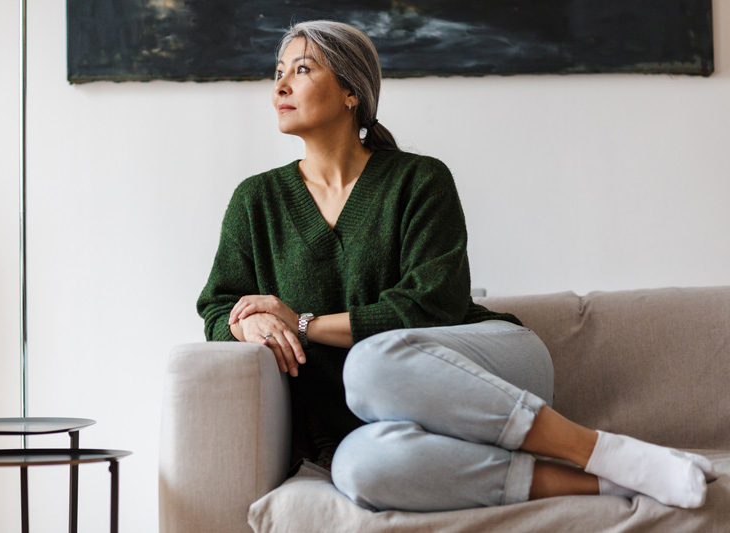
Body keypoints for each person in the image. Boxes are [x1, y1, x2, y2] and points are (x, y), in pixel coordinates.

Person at [197, 20, 717, 512]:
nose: (280, 86)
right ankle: (613, 479)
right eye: (278, 72)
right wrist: (248, 322)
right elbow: (218, 308)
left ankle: (600, 449)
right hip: (360, 425)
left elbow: (432, 305)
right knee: (361, 470)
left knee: (372, 363)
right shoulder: (256, 201)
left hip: (484, 370)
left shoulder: (420, 180)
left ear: (352, 91)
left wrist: (303, 324)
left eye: (302, 69)